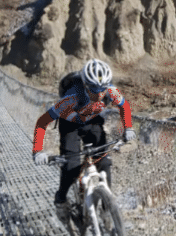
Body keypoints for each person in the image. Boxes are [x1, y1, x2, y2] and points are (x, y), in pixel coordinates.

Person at [33, 58, 135, 220]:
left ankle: (107, 208)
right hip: (70, 125)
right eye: (94, 90)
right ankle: (61, 199)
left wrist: (128, 128)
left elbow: (124, 106)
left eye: (103, 89)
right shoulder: (71, 97)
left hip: (92, 121)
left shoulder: (109, 90)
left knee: (105, 162)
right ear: (86, 86)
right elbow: (42, 122)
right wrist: (38, 151)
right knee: (71, 167)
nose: (100, 94)